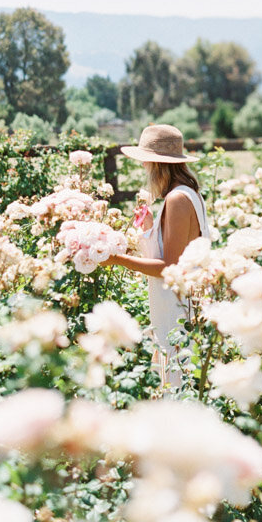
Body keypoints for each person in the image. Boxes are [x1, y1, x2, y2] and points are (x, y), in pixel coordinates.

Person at [104, 124, 210, 388]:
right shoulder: (189, 194)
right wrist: (151, 227)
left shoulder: (176, 199)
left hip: (176, 308)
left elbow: (168, 267)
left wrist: (116, 258)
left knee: (176, 383)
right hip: (179, 302)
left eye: (145, 163)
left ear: (156, 164)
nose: (144, 169)